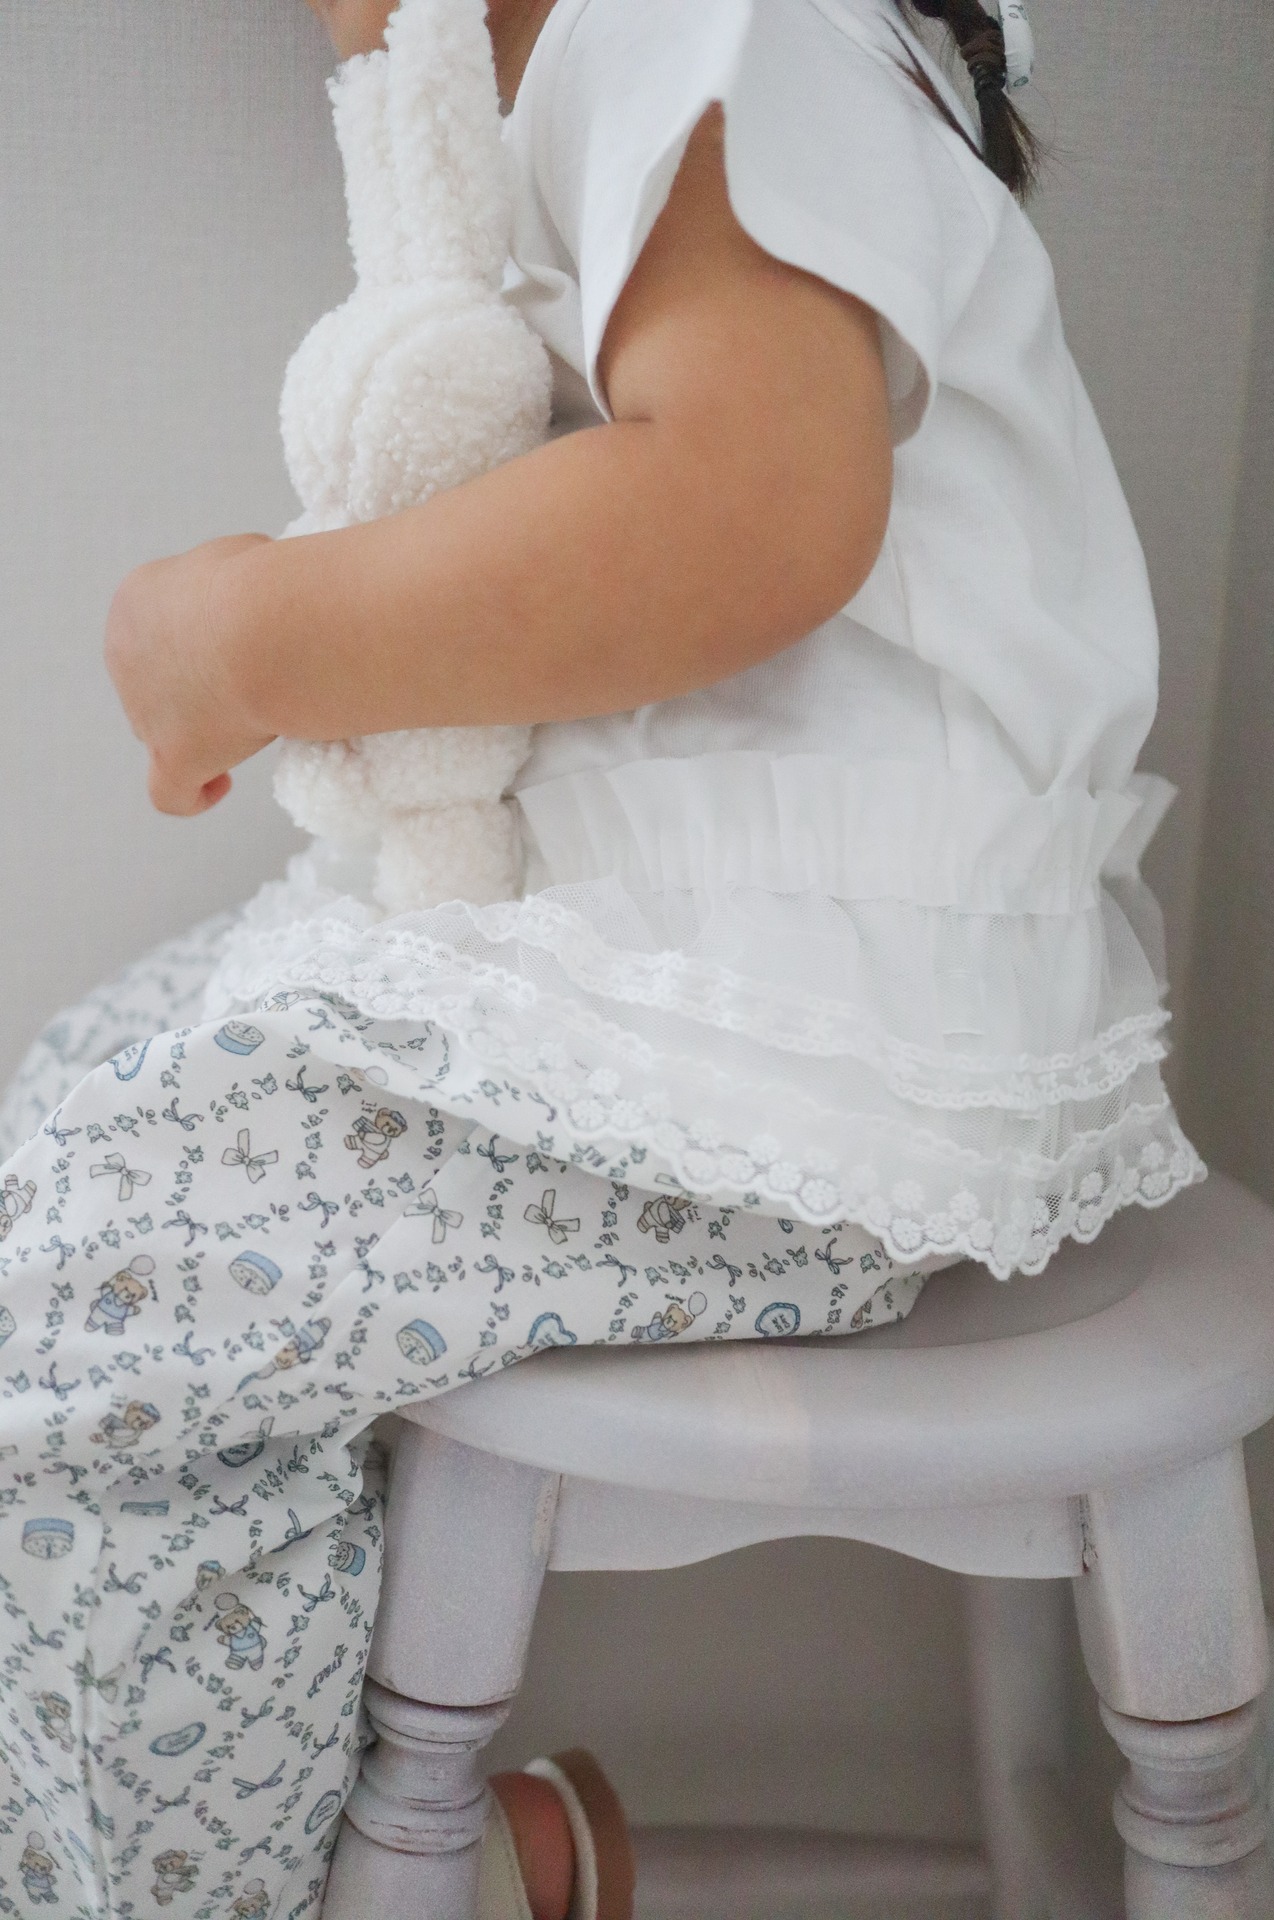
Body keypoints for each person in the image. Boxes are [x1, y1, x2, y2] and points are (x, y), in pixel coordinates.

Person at [0, 0, 1203, 1913]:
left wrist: (262, 638)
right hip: (699, 987)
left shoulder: (703, 21)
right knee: (77, 1101)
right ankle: (339, 1860)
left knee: (88, 1303)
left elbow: (752, 507)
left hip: (808, 1047)